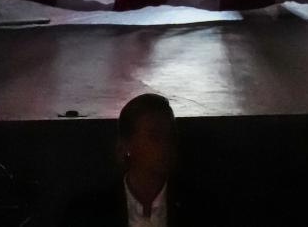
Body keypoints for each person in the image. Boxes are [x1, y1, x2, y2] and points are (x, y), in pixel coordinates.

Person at [60, 93, 206, 226]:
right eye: (155, 136)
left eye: (170, 135)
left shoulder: (199, 209)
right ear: (126, 146)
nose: (166, 144)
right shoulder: (88, 213)